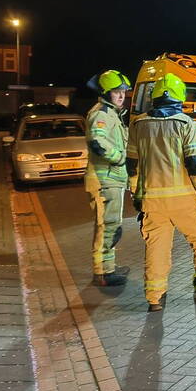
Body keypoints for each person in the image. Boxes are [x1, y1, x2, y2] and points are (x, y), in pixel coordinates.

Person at [127, 73, 196, 311]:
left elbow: (132, 165)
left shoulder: (138, 124)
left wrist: (136, 196)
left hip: (152, 202)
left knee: (156, 248)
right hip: (185, 201)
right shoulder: (185, 124)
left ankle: (155, 298)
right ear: (179, 97)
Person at [84, 70, 132, 287]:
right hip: (105, 180)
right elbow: (97, 141)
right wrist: (120, 158)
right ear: (105, 93)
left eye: (123, 92)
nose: (121, 96)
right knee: (107, 226)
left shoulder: (113, 114)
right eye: (116, 92)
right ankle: (102, 273)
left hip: (112, 180)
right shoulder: (101, 114)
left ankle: (108, 268)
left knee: (112, 226)